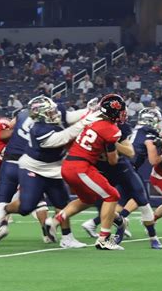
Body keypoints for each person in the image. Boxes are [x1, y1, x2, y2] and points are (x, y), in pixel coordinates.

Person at [0, 96, 99, 248]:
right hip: (33, 168)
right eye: (50, 112)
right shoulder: (39, 129)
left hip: (53, 168)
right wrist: (86, 121)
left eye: (53, 109)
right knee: (26, 207)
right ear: (40, 116)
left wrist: (90, 110)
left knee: (62, 203)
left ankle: (67, 238)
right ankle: (4, 208)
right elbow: (64, 137)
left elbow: (70, 116)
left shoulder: (55, 113)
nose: (55, 113)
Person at [49, 94, 128, 250]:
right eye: (120, 111)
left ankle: (57, 219)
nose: (123, 114)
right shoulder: (112, 130)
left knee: (88, 198)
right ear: (113, 112)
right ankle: (103, 239)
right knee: (112, 195)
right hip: (81, 167)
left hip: (68, 165)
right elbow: (112, 161)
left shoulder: (93, 121)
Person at [81, 108, 162, 249]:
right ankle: (153, 238)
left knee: (115, 201)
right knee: (142, 201)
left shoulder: (128, 129)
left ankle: (105, 225)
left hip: (112, 167)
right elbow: (150, 158)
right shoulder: (146, 133)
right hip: (125, 168)